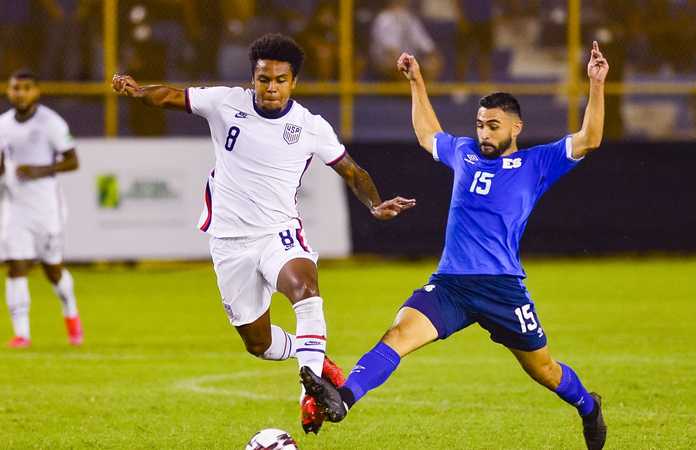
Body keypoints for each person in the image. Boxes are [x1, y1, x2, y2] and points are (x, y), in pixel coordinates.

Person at [301, 42, 610, 450]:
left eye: (494, 126)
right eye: (481, 124)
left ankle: (589, 406)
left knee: (544, 370)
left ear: (516, 128)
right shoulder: (464, 152)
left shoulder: (537, 163)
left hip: (502, 287)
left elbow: (589, 138)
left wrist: (596, 83)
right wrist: (417, 82)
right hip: (451, 285)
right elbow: (428, 133)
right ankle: (342, 398)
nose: (484, 132)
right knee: (396, 335)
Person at [111, 33, 415, 434]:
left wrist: (374, 204)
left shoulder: (309, 126)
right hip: (229, 241)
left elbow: (352, 172)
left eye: (280, 80)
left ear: (294, 82)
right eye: (263, 79)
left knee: (306, 291)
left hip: (279, 233)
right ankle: (313, 358)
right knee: (259, 344)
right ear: (252, 78)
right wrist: (137, 91)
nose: (271, 87)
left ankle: (311, 396)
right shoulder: (226, 103)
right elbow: (170, 96)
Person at [0, 69, 83, 348]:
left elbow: (73, 161)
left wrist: (41, 169)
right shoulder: (3, 125)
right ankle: (22, 334)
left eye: (25, 88)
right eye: (15, 88)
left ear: (36, 91)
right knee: (16, 266)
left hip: (47, 207)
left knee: (53, 270)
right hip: (15, 207)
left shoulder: (50, 123)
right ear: (8, 91)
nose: (19, 93)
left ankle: (71, 314)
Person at [370, 0, 442, 80]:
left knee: (432, 63)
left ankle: (424, 91)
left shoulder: (410, 18)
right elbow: (392, 52)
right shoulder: (384, 19)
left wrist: (432, 58)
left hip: (410, 61)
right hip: (387, 65)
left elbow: (427, 46)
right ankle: (403, 90)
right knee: (395, 62)